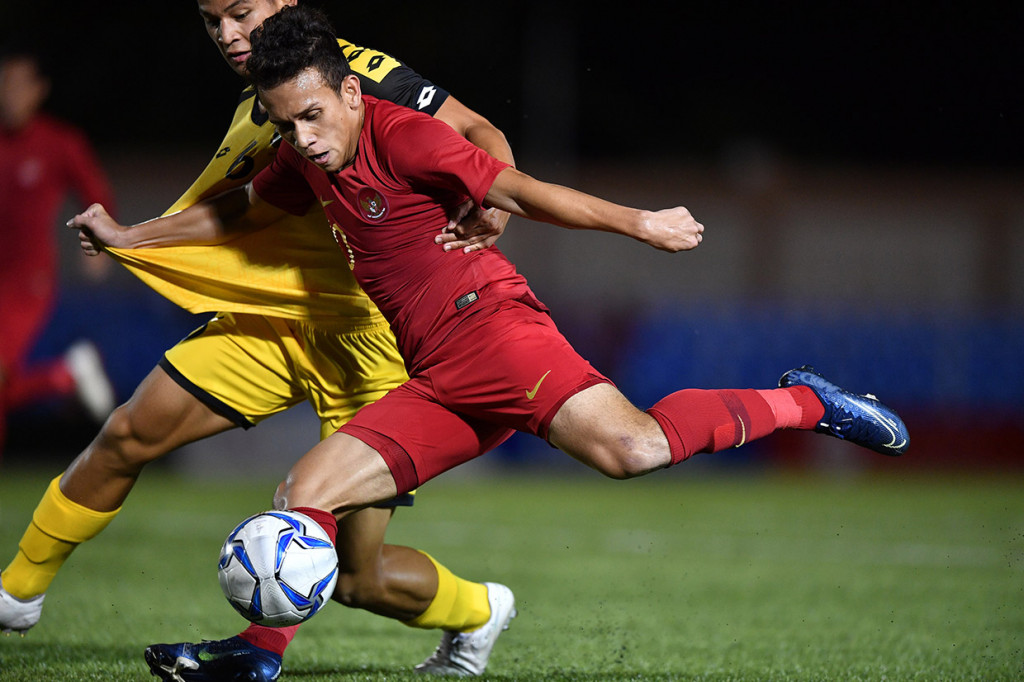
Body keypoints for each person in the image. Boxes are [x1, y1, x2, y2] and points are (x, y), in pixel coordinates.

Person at [71, 6, 910, 675]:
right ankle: (255, 660)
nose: (304, 139)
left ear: (352, 93)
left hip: (498, 336)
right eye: (286, 124)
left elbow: (522, 186)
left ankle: (810, 401)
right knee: (305, 491)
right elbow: (241, 208)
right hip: (434, 375)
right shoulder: (305, 153)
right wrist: (132, 236)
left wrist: (639, 223)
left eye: (315, 116)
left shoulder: (403, 133)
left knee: (635, 451)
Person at [0, 1, 517, 679]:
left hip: (369, 341)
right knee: (128, 434)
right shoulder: (262, 102)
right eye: (212, 21)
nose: (228, 34)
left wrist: (493, 201)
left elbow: (479, 128)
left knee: (359, 577)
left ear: (284, 4)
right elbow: (241, 207)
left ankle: (478, 610)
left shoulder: (355, 75)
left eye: (241, 12)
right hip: (276, 321)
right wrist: (132, 236)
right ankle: (15, 595)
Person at [0, 49, 117, 457]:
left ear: (38, 90)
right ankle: (62, 376)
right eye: (4, 84)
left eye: (19, 84)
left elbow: (96, 193)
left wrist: (100, 243)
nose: (10, 94)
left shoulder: (58, 142)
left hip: (25, 282)